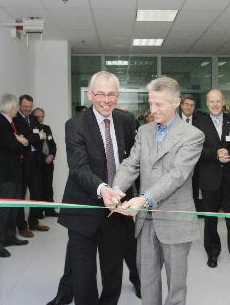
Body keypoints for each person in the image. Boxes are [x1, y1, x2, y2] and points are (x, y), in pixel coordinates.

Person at [112, 76, 205, 305]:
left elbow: (177, 175)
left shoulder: (193, 135)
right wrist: (115, 189)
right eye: (151, 103)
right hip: (146, 222)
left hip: (176, 220)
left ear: (176, 102)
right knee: (148, 279)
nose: (153, 110)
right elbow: (131, 164)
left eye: (159, 104)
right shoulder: (144, 131)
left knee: (176, 286)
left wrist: (143, 199)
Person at [56, 71, 137, 305]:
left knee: (113, 272)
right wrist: (103, 189)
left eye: (112, 94)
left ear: (118, 96)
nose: (106, 99)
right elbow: (78, 167)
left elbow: (131, 160)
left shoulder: (126, 120)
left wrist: (123, 192)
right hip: (83, 210)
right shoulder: (75, 125)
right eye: (100, 93)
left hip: (116, 209)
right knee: (83, 275)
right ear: (90, 95)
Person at [193, 89, 230, 269]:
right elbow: (195, 148)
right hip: (210, 178)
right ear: (207, 103)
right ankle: (212, 253)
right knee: (210, 219)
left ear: (223, 102)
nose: (215, 104)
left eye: (218, 101)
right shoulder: (198, 123)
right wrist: (215, 155)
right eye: (212, 101)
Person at [0, 94, 29, 258]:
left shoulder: (9, 124)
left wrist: (21, 141)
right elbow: (14, 146)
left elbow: (18, 145)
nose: (17, 110)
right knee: (4, 209)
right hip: (6, 174)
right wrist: (22, 142)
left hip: (14, 173)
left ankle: (10, 237)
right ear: (11, 108)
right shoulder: (0, 125)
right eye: (16, 107)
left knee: (13, 208)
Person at [13, 94, 50, 238]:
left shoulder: (33, 119)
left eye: (30, 107)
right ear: (19, 105)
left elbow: (39, 136)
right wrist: (36, 137)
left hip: (35, 160)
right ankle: (21, 226)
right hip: (23, 162)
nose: (28, 109)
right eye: (25, 107)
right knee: (21, 195)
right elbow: (27, 138)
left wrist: (33, 137)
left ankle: (34, 221)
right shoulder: (15, 119)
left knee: (37, 192)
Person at [32, 107, 58, 217]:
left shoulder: (47, 128)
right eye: (37, 117)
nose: (40, 119)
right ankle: (38, 211)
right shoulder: (31, 129)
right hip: (37, 163)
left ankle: (49, 210)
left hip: (48, 163)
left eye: (42, 116)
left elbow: (53, 145)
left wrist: (52, 155)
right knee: (38, 187)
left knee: (48, 186)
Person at [179, 94, 202, 213]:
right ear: (181, 105)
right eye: (186, 104)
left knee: (194, 187)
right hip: (177, 161)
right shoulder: (173, 119)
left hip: (196, 161)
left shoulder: (201, 120)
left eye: (192, 105)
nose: (189, 107)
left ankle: (193, 210)